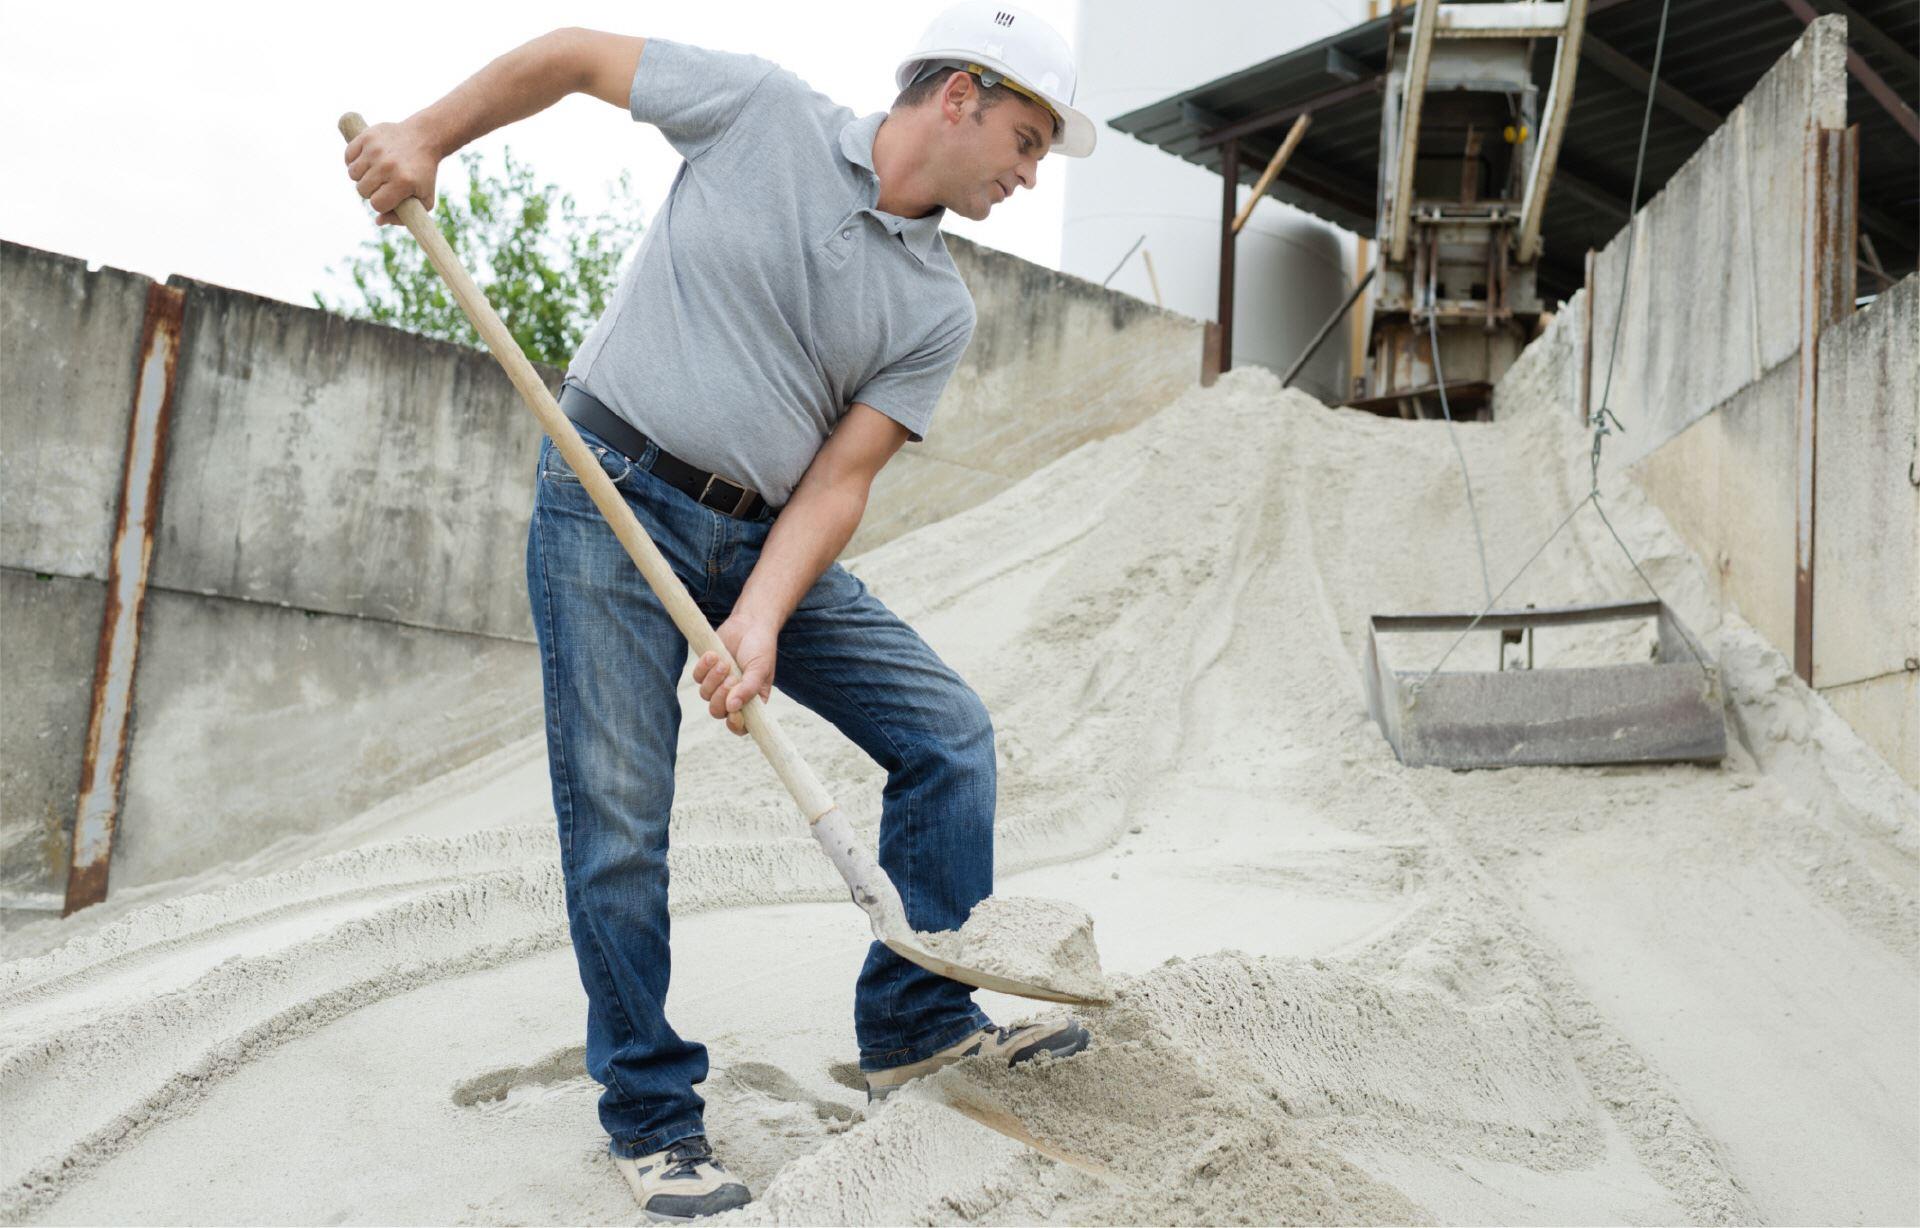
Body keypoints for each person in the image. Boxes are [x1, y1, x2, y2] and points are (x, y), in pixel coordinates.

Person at [343, 2, 1097, 1220]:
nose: (1027, 172)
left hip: (762, 538)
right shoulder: (761, 112)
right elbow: (578, 55)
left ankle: (914, 1030)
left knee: (947, 734)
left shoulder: (937, 307)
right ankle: (651, 1115)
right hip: (609, 499)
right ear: (959, 94)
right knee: (623, 824)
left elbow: (840, 481)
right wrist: (427, 135)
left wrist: (757, 618)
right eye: (1025, 138)